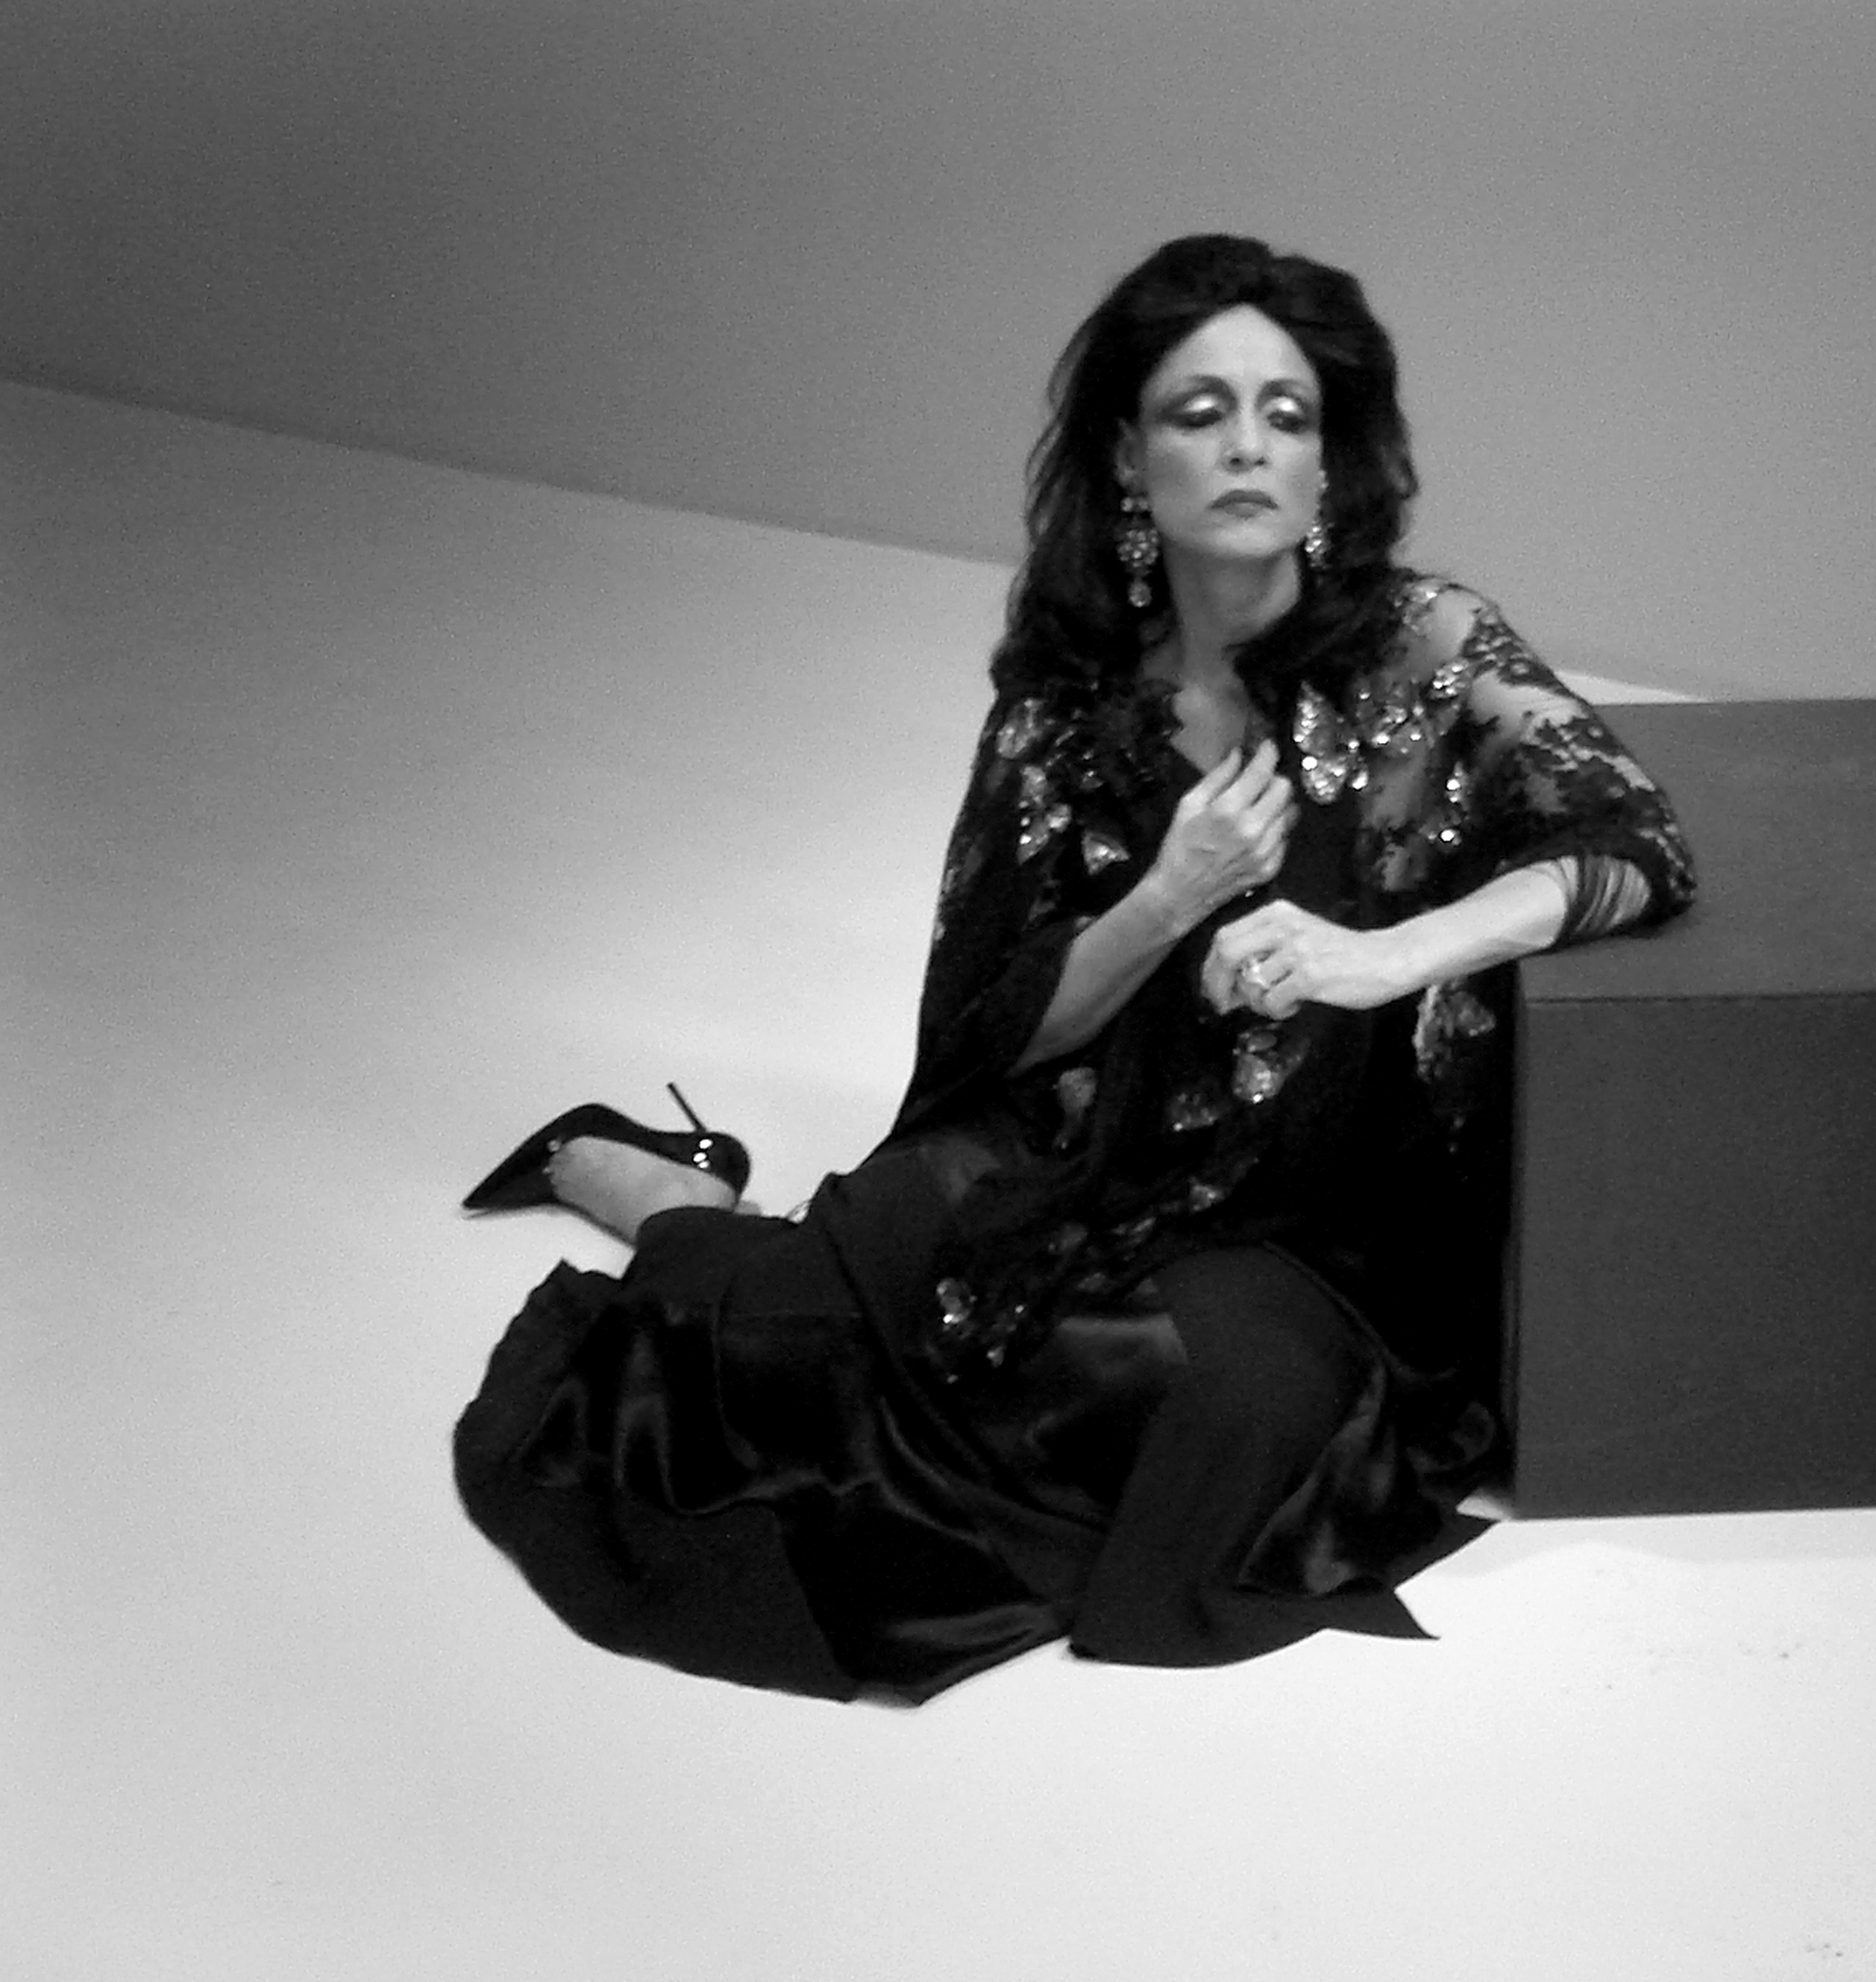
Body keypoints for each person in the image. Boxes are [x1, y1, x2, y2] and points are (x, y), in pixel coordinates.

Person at [454, 233, 1696, 1705]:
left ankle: (700, 1210)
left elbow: (1632, 843)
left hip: (1323, 1228)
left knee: (1209, 1409)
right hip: (1089, 1162)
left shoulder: (1429, 645)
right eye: (1199, 413)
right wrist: (1167, 896)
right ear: (1127, 459)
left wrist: (1382, 957)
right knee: (777, 1358)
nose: (1248, 447)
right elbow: (994, 1036)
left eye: (1287, 415)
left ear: (1328, 464)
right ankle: (669, 1196)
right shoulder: (1063, 705)